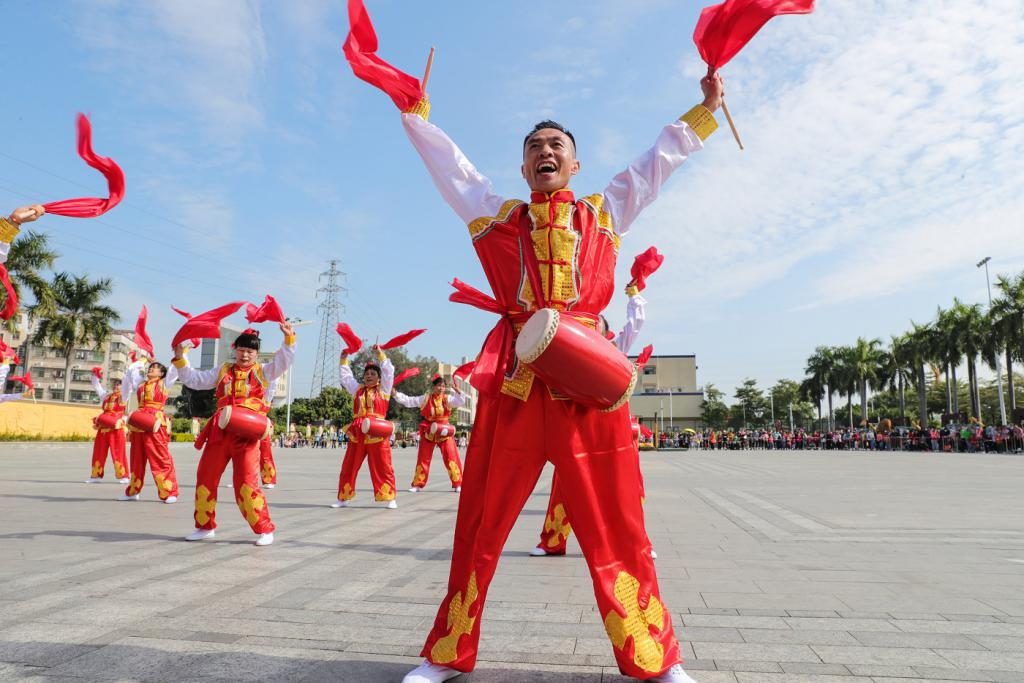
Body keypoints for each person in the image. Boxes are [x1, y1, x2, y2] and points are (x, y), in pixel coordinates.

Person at [396, 67, 722, 683]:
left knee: (620, 521)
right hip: (515, 387)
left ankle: (653, 656)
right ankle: (447, 652)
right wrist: (417, 116)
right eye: (534, 148)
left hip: (588, 387)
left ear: (574, 166)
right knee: (480, 521)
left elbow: (657, 163)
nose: (545, 152)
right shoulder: (496, 218)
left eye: (556, 147)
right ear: (523, 170)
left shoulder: (604, 214)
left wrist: (702, 113)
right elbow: (453, 170)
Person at [532, 283, 654, 558]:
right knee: (565, 481)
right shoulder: (568, 351)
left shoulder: (614, 348)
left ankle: (637, 544)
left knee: (625, 485)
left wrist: (635, 296)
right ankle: (552, 541)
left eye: (595, 324)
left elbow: (636, 324)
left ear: (602, 330)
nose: (590, 327)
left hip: (610, 426)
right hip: (577, 426)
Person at [173, 323, 295, 546]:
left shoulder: (263, 371)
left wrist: (288, 340)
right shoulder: (222, 370)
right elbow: (194, 380)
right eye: (242, 350)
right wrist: (181, 358)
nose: (245, 354)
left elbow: (284, 362)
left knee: (246, 482)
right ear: (235, 350)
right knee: (206, 478)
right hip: (220, 429)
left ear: (256, 354)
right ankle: (204, 526)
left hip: (247, 433)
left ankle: (264, 529)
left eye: (250, 351)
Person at [334, 347, 398, 509]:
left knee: (383, 466)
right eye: (367, 374)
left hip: (377, 432)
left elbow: (389, 371)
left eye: (373, 374)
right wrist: (343, 359)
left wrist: (380, 354)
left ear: (379, 378)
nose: (369, 376)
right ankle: (343, 497)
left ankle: (390, 497)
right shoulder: (357, 390)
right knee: (349, 465)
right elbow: (346, 377)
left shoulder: (384, 390)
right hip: (358, 433)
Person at [119, 357, 180, 503]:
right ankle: (133, 490)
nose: (151, 368)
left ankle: (169, 491)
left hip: (155, 422)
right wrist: (142, 360)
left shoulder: (165, 383)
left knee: (160, 457)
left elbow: (175, 368)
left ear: (162, 373)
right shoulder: (141, 384)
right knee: (136, 459)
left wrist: (180, 353)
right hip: (140, 421)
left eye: (156, 367)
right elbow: (130, 372)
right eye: (150, 367)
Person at [394, 374, 468, 492]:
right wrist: (396, 394)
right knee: (423, 458)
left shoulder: (447, 399)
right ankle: (417, 484)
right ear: (434, 387)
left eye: (443, 386)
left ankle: (458, 483)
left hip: (444, 432)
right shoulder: (426, 398)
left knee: (451, 456)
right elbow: (409, 401)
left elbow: (460, 402)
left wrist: (459, 392)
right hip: (429, 431)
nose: (441, 388)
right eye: (439, 385)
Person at [87, 370, 129, 484]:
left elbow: (128, 385)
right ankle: (96, 476)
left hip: (116, 429)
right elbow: (97, 387)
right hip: (103, 428)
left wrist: (129, 373)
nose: (116, 387)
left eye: (119, 385)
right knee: (98, 452)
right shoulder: (106, 396)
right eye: (115, 385)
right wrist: (95, 375)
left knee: (118, 452)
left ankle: (124, 476)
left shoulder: (123, 397)